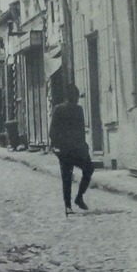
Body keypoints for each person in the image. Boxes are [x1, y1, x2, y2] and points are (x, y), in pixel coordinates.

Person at [49, 84, 94, 214]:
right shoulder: (60, 110)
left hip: (74, 149)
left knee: (87, 169)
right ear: (69, 96)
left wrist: (83, 145)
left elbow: (80, 130)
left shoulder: (78, 110)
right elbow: (53, 131)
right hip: (66, 149)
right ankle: (69, 205)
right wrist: (56, 146)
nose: (77, 99)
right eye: (75, 96)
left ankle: (77, 198)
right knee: (68, 176)